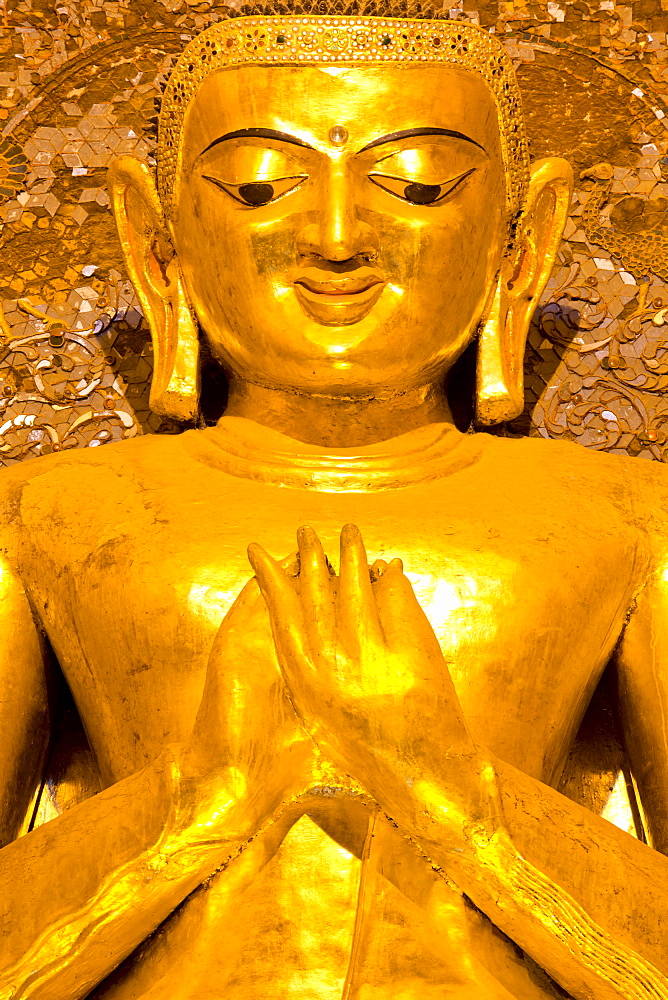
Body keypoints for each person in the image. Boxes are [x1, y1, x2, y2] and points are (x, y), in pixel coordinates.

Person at [2, 6, 668, 998]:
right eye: (261, 186)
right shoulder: (41, 516)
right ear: (156, 241)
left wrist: (462, 802)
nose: (337, 239)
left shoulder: (629, 517)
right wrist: (198, 796)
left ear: (519, 247)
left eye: (417, 186)